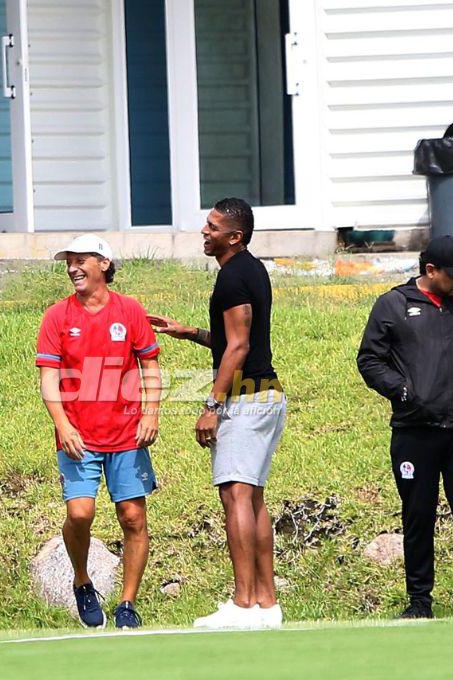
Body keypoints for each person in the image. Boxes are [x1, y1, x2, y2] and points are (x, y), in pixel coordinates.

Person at [150, 198, 286, 629]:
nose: (204, 232)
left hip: (246, 400)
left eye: (213, 227)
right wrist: (189, 332)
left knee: (236, 497)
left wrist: (212, 405)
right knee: (252, 498)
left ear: (234, 236)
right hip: (265, 396)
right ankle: (267, 604)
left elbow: (241, 348)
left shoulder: (231, 278)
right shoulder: (251, 269)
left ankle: (243, 604)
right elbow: (235, 340)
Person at [357, 234, 453, 619]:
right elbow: (369, 360)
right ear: (431, 271)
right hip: (416, 431)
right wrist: (402, 392)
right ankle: (420, 603)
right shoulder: (394, 304)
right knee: (418, 516)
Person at [35, 235, 162, 629]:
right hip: (78, 436)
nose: (73, 268)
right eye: (68, 261)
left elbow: (150, 367)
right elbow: (49, 379)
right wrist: (63, 425)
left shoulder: (130, 310)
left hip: (127, 434)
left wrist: (150, 413)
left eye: (80, 260)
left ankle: (126, 604)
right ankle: (82, 580)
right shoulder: (57, 316)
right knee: (80, 513)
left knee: (133, 517)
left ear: (104, 263)